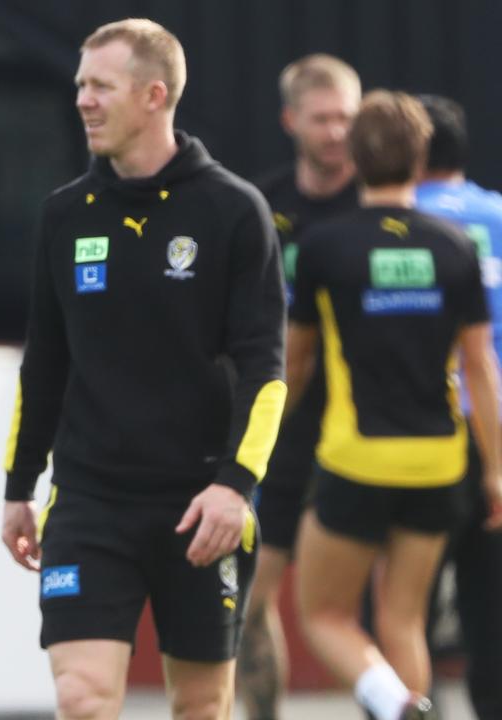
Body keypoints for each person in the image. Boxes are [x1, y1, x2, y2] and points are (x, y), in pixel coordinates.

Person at [0, 18, 285, 720]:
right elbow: (45, 362)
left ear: (155, 95)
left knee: (201, 706)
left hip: (201, 505)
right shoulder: (65, 215)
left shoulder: (234, 210)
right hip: (91, 502)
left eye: (101, 86)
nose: (83, 100)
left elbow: (265, 369)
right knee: (84, 697)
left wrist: (234, 488)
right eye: (79, 85)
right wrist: (18, 486)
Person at [287, 89, 502, 720]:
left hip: (357, 457)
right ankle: (411, 705)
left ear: (353, 157)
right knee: (404, 617)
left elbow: (294, 362)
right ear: (420, 159)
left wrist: (259, 440)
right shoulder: (454, 246)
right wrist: (494, 468)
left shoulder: (325, 248)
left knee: (323, 613)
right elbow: (480, 369)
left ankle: (392, 703)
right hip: (440, 458)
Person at [238, 54, 362, 720]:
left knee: (379, 605)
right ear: (292, 121)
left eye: (348, 116)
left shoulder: (382, 200)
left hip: (364, 426)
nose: (339, 130)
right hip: (282, 426)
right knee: (251, 601)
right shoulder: (264, 206)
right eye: (324, 118)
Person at [414, 93, 502, 718]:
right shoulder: (498, 213)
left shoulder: (390, 217)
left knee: (398, 604)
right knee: (491, 603)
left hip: (416, 432)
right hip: (496, 432)